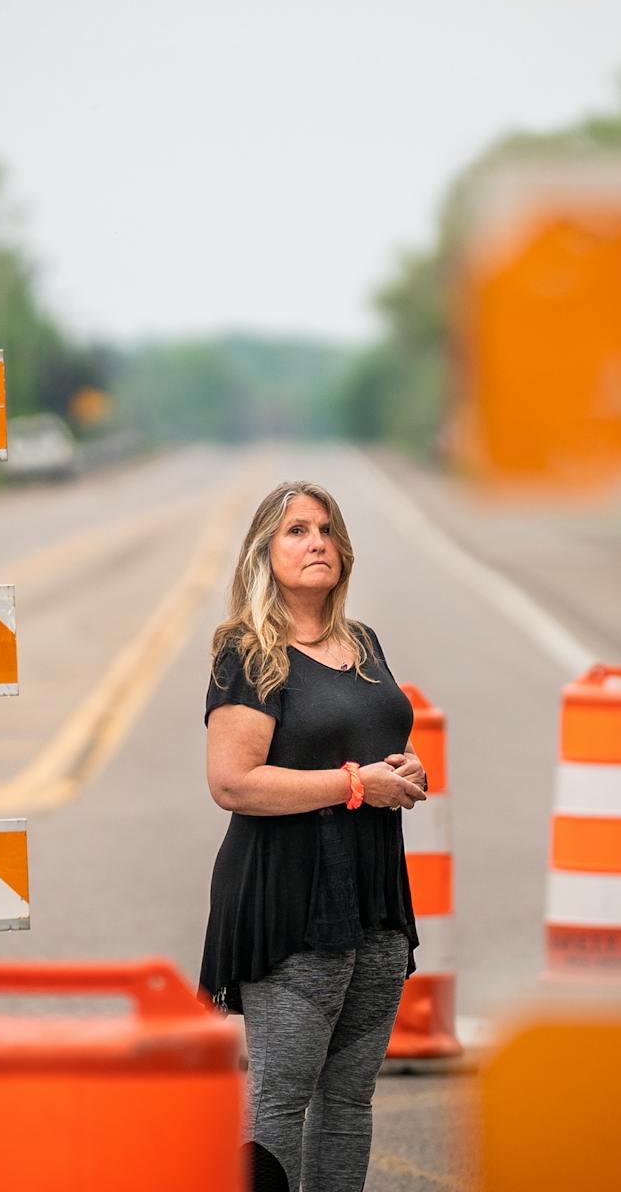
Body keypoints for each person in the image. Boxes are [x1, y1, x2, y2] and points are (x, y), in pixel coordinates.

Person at [199, 479, 427, 1192]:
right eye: (296, 530)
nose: (316, 542)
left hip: (373, 899)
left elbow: (371, 738)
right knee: (281, 1099)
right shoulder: (249, 653)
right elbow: (233, 782)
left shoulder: (363, 644)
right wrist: (358, 784)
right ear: (264, 553)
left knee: (352, 1101)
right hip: (290, 901)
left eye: (326, 529)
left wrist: (405, 769)